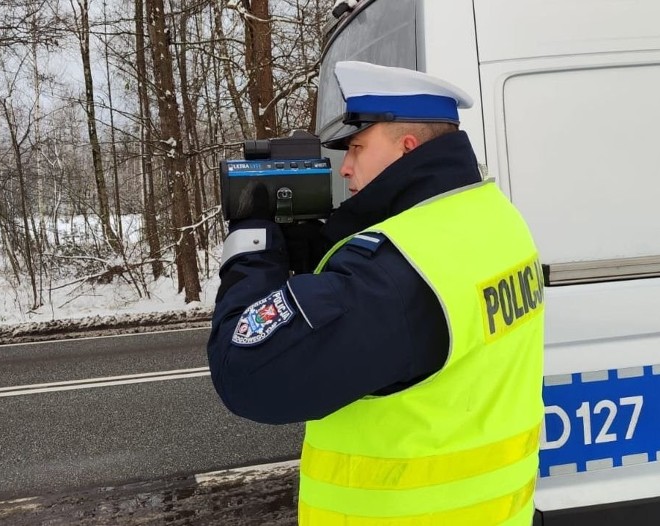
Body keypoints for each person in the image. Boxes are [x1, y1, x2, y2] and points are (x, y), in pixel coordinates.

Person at [207, 61, 545, 525]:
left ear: (406, 148)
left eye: (358, 148)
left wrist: (251, 250)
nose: (344, 167)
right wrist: (318, 248)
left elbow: (243, 373)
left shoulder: (395, 274)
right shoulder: (494, 216)